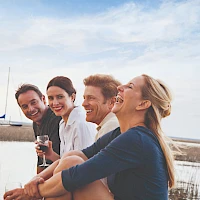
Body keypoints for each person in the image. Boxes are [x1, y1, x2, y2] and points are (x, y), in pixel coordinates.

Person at [5, 74, 176, 199]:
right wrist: (37, 179)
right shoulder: (122, 133)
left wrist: (32, 192)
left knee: (73, 172)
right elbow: (76, 156)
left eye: (129, 87)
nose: (119, 88)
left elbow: (77, 175)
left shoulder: (136, 139)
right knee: (72, 160)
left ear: (143, 104)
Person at [36, 76, 96, 162]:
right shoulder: (62, 124)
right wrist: (50, 155)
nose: (55, 103)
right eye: (51, 98)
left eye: (60, 97)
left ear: (72, 97)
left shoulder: (80, 124)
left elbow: (83, 165)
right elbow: (66, 163)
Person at [15, 84, 61, 174]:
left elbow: (61, 163)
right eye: (25, 106)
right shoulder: (36, 123)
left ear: (43, 99)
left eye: (33, 102)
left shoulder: (56, 118)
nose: (31, 109)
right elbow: (41, 161)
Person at [82, 74, 121, 141]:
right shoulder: (112, 124)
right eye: (84, 98)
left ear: (112, 102)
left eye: (91, 98)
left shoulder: (110, 127)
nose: (83, 104)